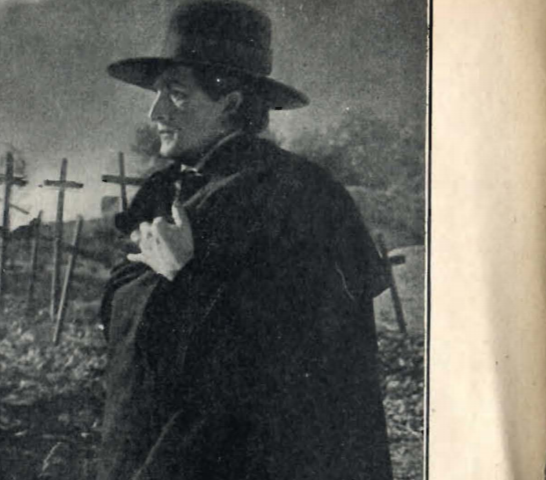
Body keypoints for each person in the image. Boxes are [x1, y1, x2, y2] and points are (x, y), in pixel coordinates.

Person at [97, 1, 394, 479]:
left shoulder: (297, 195)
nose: (155, 112)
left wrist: (185, 276)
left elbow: (297, 368)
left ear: (231, 104)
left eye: (176, 94)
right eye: (156, 94)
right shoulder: (168, 189)